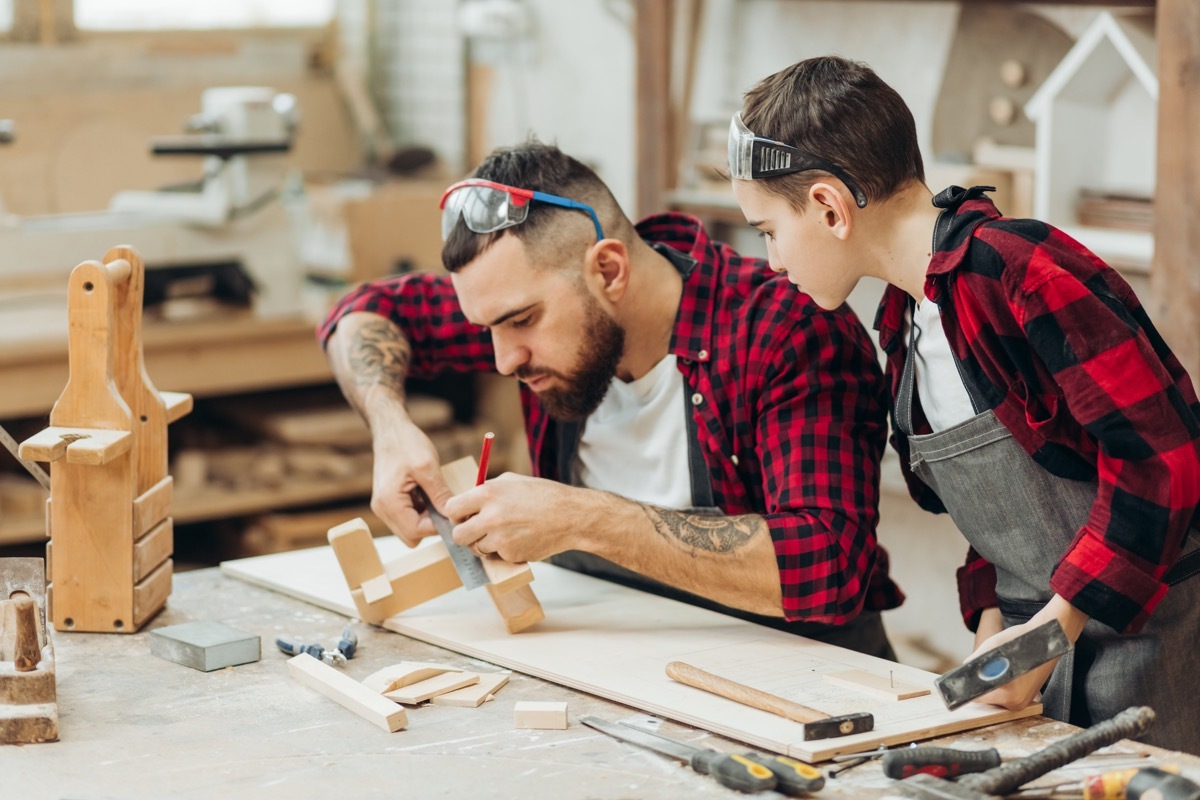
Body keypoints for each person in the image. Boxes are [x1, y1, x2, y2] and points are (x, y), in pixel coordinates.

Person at [728, 55, 1200, 751]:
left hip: (1156, 646)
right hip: (1042, 658)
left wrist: (1053, 627)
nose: (770, 259)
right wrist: (994, 638)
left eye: (768, 230)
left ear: (829, 207)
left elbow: (1166, 461)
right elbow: (1001, 514)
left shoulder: (1019, 270)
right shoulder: (906, 320)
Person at [318, 140, 903, 657]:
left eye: (521, 321)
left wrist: (582, 519)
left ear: (609, 270)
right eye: (488, 327)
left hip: (803, 681)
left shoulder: (785, 330)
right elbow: (361, 312)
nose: (503, 359)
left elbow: (829, 565)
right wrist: (390, 427)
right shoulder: (532, 311)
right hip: (624, 667)